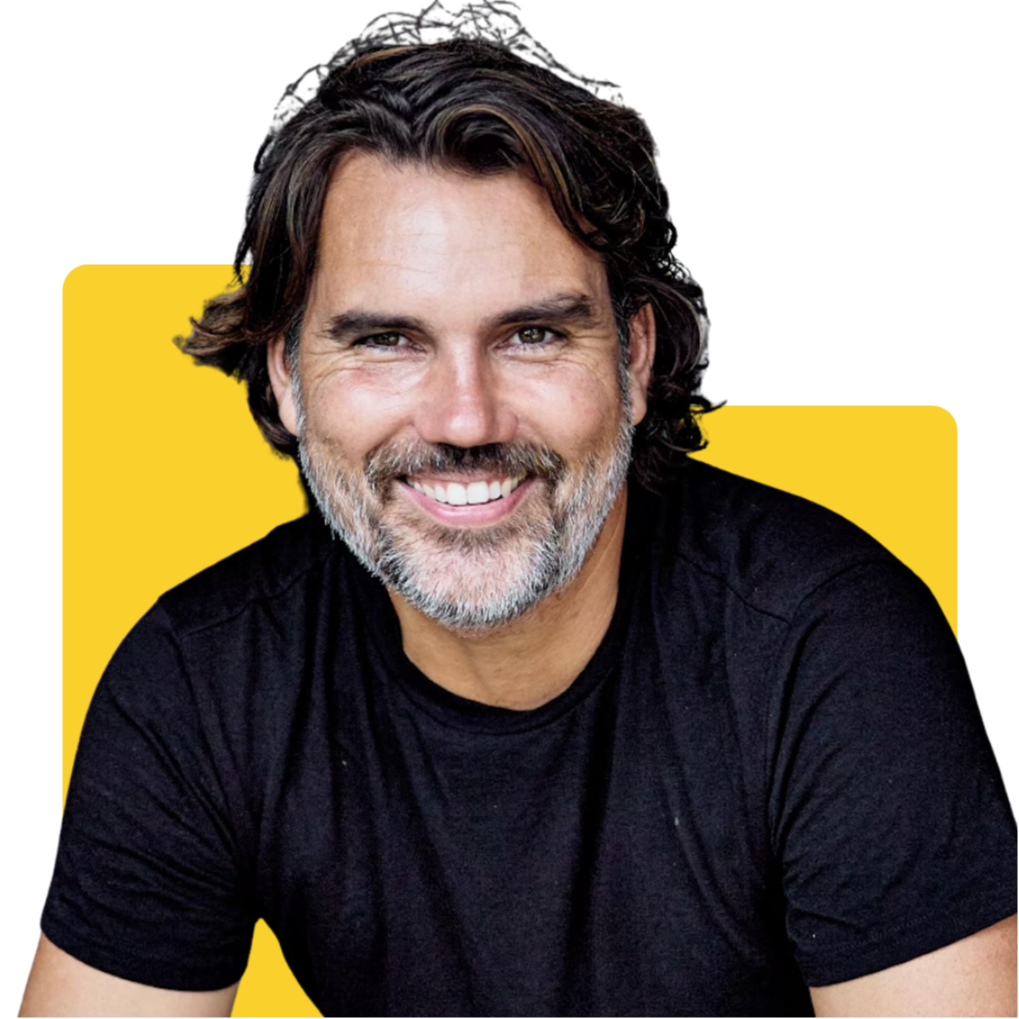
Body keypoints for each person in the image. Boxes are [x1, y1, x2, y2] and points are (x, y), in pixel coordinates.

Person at [28, 4, 1019, 1017]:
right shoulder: (201, 680)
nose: (465, 418)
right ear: (285, 374)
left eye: (532, 335)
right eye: (385, 340)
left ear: (633, 358)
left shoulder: (828, 645)